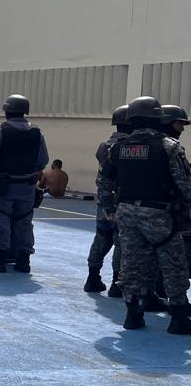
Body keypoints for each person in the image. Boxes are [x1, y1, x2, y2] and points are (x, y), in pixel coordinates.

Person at [96, 96, 191, 334]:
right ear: (157, 117)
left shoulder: (118, 147)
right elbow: (185, 185)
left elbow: (104, 181)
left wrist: (109, 209)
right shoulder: (169, 146)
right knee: (173, 264)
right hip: (160, 214)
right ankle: (179, 318)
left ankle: (133, 314)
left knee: (132, 263)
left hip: (126, 213)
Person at [0, 95, 48, 274]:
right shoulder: (37, 132)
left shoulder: (0, 130)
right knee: (25, 222)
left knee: (2, 220)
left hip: (5, 185)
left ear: (7, 110)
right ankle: (24, 261)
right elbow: (43, 160)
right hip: (28, 186)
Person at [86, 106, 128, 296]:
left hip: (103, 202)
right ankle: (116, 284)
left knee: (101, 239)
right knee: (120, 243)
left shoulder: (104, 145)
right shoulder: (128, 146)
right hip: (122, 202)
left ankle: (92, 277)